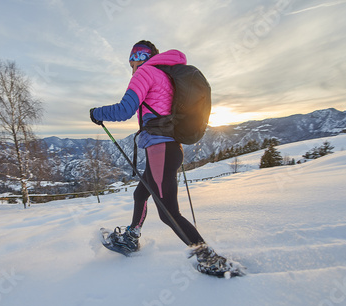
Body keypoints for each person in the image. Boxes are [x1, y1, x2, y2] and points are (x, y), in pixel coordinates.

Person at [90, 40, 241, 277]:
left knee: (168, 212)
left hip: (160, 149)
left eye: (133, 60)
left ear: (139, 57)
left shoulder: (146, 72)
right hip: (169, 148)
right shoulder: (164, 74)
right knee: (140, 194)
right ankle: (132, 236)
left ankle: (209, 258)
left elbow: (124, 110)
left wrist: (96, 113)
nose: (132, 66)